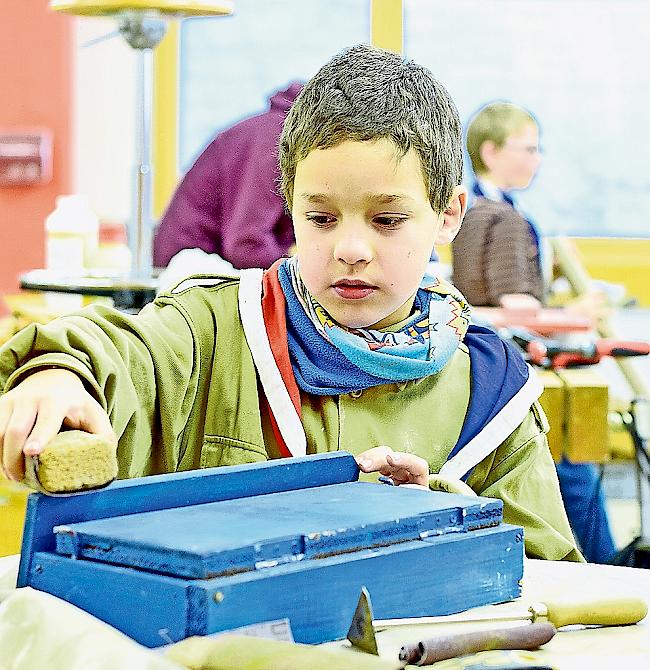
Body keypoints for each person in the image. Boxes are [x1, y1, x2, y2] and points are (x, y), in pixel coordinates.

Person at [0, 45, 579, 562]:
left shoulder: (493, 388)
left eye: (388, 220)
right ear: (290, 206)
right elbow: (126, 352)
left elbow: (552, 577)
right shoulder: (219, 329)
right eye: (321, 218)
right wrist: (57, 373)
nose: (350, 249)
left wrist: (440, 519)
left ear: (448, 215)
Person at [452, 101, 616, 564]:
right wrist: (578, 311)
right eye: (529, 148)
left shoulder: (468, 210)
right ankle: (607, 568)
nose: (537, 159)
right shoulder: (504, 219)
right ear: (491, 151)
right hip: (516, 368)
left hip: (484, 369)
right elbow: (517, 310)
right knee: (572, 469)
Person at [152, 82, 302, 270]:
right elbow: (246, 245)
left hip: (208, 269)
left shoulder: (281, 134)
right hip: (189, 278)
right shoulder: (276, 139)